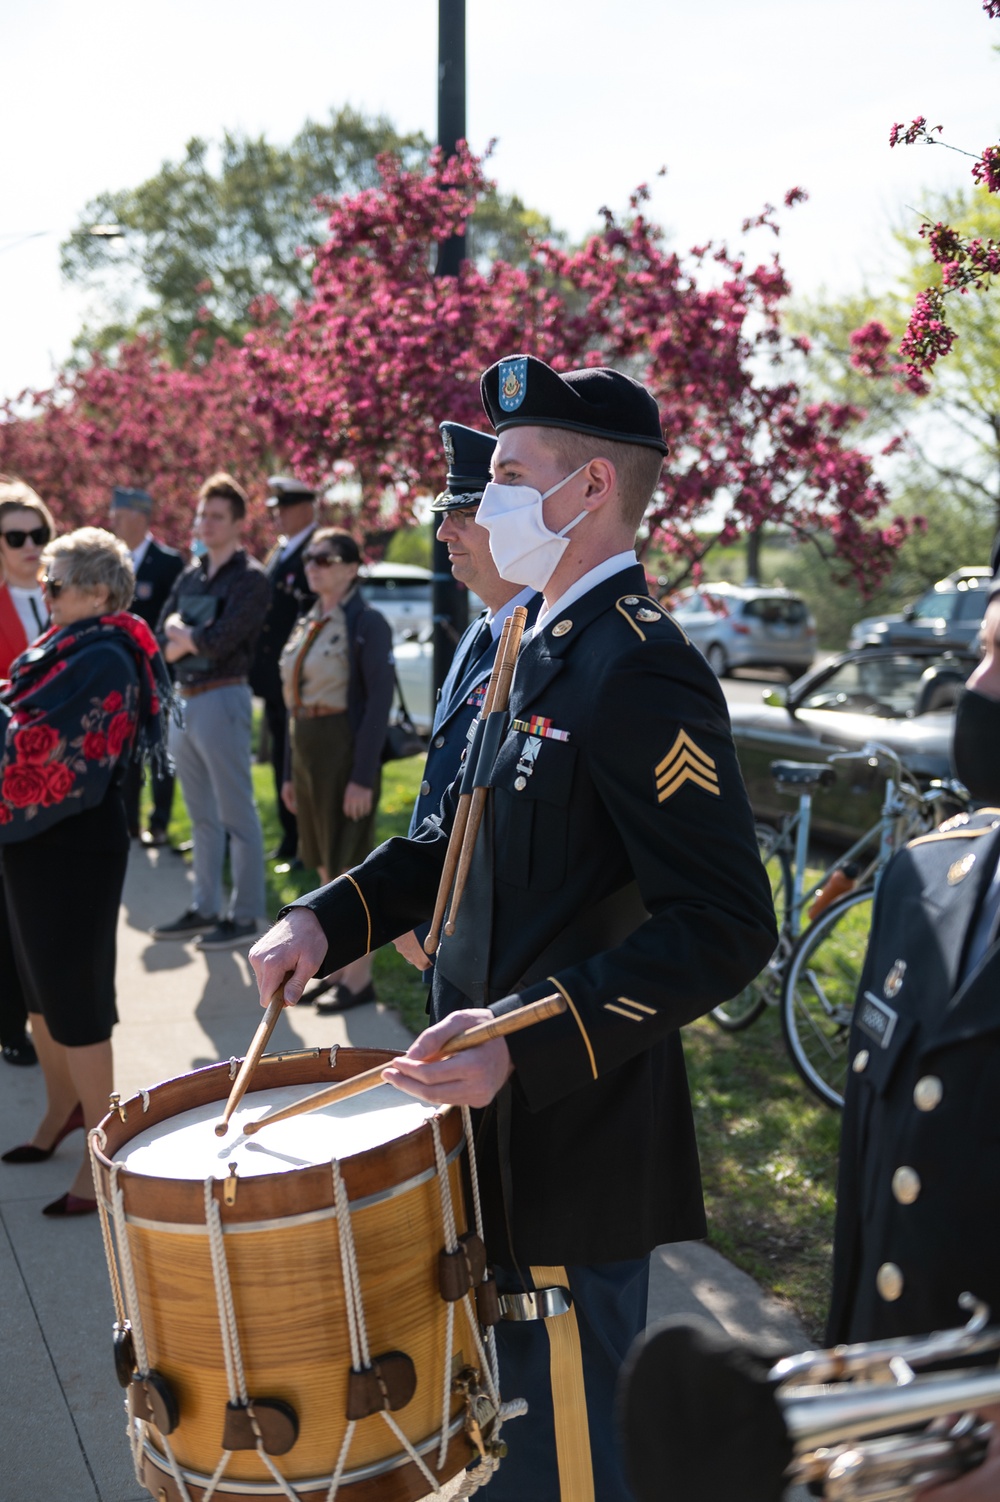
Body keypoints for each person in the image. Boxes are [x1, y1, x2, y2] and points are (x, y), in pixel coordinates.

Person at [249, 355, 777, 1500]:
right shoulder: (524, 647)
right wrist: (319, 919)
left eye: (505, 477)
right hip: (477, 1117)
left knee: (569, 1458)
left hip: (572, 1132)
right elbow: (449, 846)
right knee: (501, 1434)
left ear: (589, 489)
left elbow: (729, 923)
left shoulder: (639, 668)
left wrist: (525, 1045)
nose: (481, 508)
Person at [826, 577, 1000, 1500]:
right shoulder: (923, 880)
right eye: (985, 651)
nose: (975, 686)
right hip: (890, 1436)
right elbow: (871, 1188)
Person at [0, 528, 171, 1215]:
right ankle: (61, 1114)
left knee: (75, 1001)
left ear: (100, 591)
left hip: (72, 851)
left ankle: (106, 1157)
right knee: (36, 994)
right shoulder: (64, 645)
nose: (45, 591)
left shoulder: (104, 654)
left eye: (57, 582)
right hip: (30, 842)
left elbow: (42, 749)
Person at [391, 420, 540, 977]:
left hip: (491, 935)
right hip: (446, 917)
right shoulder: (483, 631)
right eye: (445, 515)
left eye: (464, 516)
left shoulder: (540, 643)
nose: (443, 533)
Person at [151, 472, 269, 951]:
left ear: (239, 522)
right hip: (184, 701)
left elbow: (223, 641)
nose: (206, 524)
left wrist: (188, 637)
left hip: (224, 697)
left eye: (217, 516)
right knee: (200, 816)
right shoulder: (190, 573)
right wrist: (186, 641)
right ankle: (205, 907)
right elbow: (161, 635)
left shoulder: (252, 578)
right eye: (202, 515)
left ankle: (244, 915)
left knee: (237, 814)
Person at [280, 527, 394, 1011]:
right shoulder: (309, 619)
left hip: (344, 749)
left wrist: (363, 776)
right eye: (310, 558)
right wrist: (288, 771)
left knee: (350, 864)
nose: (313, 566)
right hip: (307, 750)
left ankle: (359, 979)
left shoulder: (366, 621)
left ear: (351, 567)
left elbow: (377, 704)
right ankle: (341, 967)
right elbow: (292, 704)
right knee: (327, 864)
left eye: (325, 558)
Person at [0, 477, 54, 1067]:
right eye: (17, 535)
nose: (30, 544)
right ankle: (10, 1020)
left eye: (38, 532)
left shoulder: (62, 594)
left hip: (62, 778)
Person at [108, 485, 184, 846]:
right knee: (127, 750)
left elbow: (174, 615)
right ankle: (129, 823)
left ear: (139, 518)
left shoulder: (169, 562)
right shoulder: (109, 563)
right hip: (121, 673)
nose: (113, 522)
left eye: (119, 516)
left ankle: (160, 822)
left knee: (160, 750)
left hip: (159, 673)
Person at [250, 475, 317, 867]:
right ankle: (291, 837)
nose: (278, 517)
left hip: (301, 676)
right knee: (281, 758)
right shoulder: (282, 550)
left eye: (285, 508)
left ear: (306, 507)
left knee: (298, 761)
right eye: (275, 510)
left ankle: (305, 841)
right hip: (277, 677)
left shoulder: (315, 549)